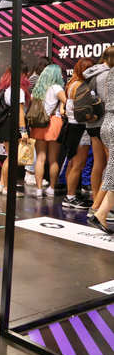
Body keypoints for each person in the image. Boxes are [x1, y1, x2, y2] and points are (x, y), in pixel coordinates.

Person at [83, 49, 114, 216]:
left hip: (92, 122)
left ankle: (97, 203)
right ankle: (99, 206)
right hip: (106, 121)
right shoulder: (108, 74)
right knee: (110, 166)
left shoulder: (92, 72)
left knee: (98, 163)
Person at [62, 59, 96, 207]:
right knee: (78, 164)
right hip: (80, 128)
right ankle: (70, 197)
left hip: (72, 127)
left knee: (72, 163)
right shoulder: (81, 86)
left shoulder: (71, 84)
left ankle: (70, 195)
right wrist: (93, 116)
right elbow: (83, 112)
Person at [29, 64, 66, 198]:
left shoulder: (37, 89)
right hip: (54, 123)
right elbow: (67, 102)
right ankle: (51, 188)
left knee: (40, 158)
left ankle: (38, 189)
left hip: (38, 123)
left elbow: (32, 103)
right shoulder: (57, 88)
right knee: (53, 160)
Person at [0, 67, 29, 195]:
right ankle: (7, 188)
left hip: (5, 124)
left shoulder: (6, 90)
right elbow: (20, 112)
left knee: (10, 156)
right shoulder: (18, 91)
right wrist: (23, 130)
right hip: (13, 125)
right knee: (12, 158)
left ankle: (2, 184)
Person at [91, 58, 114, 234]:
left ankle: (100, 212)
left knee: (111, 169)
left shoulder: (109, 73)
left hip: (107, 121)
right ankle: (98, 209)